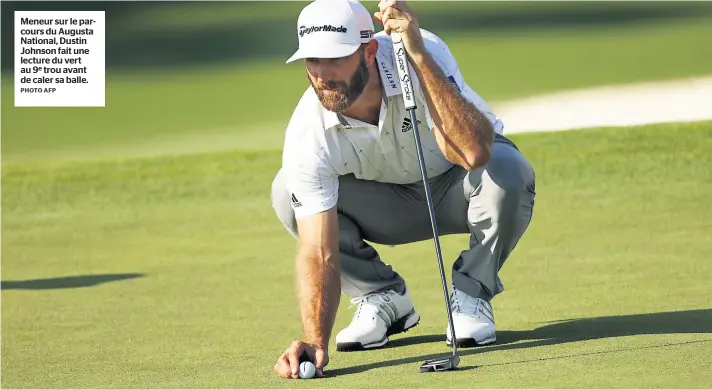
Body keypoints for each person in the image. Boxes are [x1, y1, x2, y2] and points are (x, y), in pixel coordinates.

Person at [271, 0, 536, 379]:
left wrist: (420, 58)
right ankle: (381, 296)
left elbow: (474, 152)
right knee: (287, 192)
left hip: (456, 190)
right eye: (313, 60)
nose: (323, 75)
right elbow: (318, 250)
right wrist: (314, 340)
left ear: (370, 51)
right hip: (386, 208)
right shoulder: (307, 131)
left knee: (508, 171)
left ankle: (472, 293)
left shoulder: (418, 50)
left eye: (336, 59)